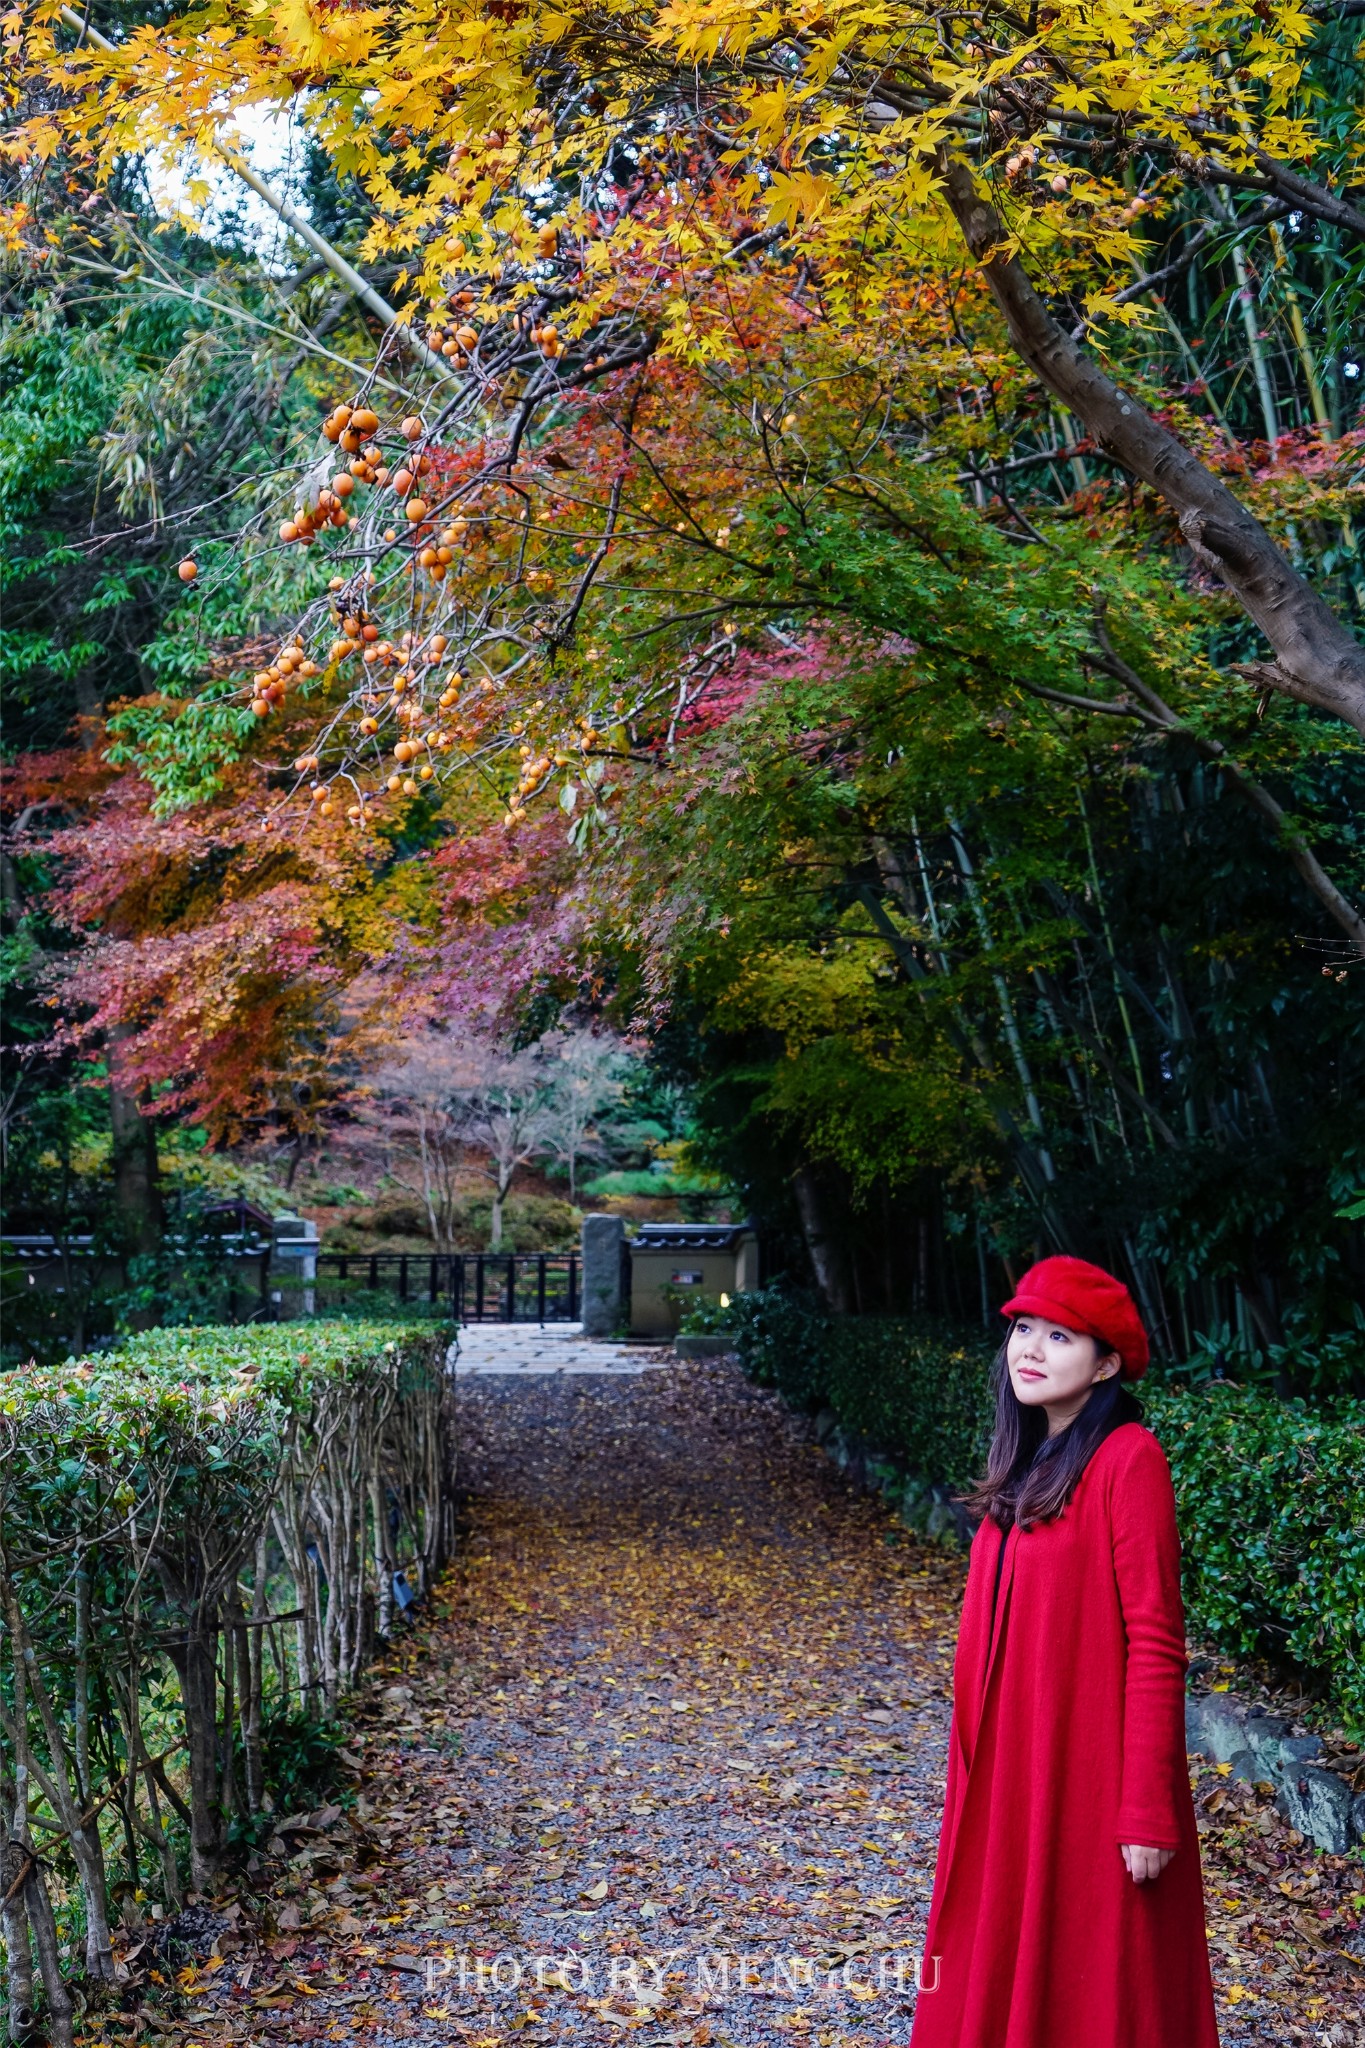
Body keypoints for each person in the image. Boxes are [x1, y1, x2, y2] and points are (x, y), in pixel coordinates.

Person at [909, 1255, 1220, 2048]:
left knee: (1099, 1980)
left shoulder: (1126, 1459)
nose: (1030, 1349)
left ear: (1105, 1363)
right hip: (1009, 1768)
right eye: (1021, 1329)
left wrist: (1144, 1807)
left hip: (1084, 1772)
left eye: (1059, 1336)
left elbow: (1154, 1640)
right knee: (1001, 1954)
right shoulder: (1024, 1461)